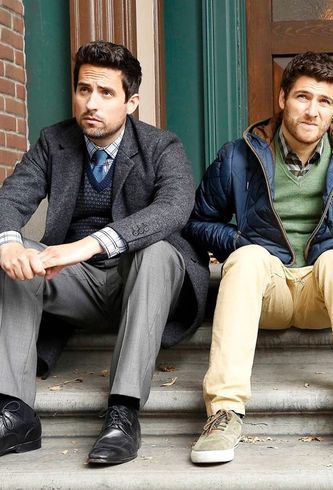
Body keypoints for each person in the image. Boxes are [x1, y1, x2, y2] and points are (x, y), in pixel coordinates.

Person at [0, 41, 209, 464]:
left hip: (142, 281)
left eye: (106, 93)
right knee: (16, 255)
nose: (91, 104)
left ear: (131, 102)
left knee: (158, 252)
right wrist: (8, 243)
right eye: (83, 90)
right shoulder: (53, 142)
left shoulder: (161, 146)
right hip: (76, 286)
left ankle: (123, 413)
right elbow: (10, 200)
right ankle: (14, 411)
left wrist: (86, 245)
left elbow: (173, 208)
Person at [185, 52, 333, 465]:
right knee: (246, 258)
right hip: (268, 289)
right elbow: (197, 220)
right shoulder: (239, 156)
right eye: (303, 97)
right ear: (282, 98)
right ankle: (224, 411)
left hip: (324, 290)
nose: (312, 110)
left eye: (324, 101)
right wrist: (242, 240)